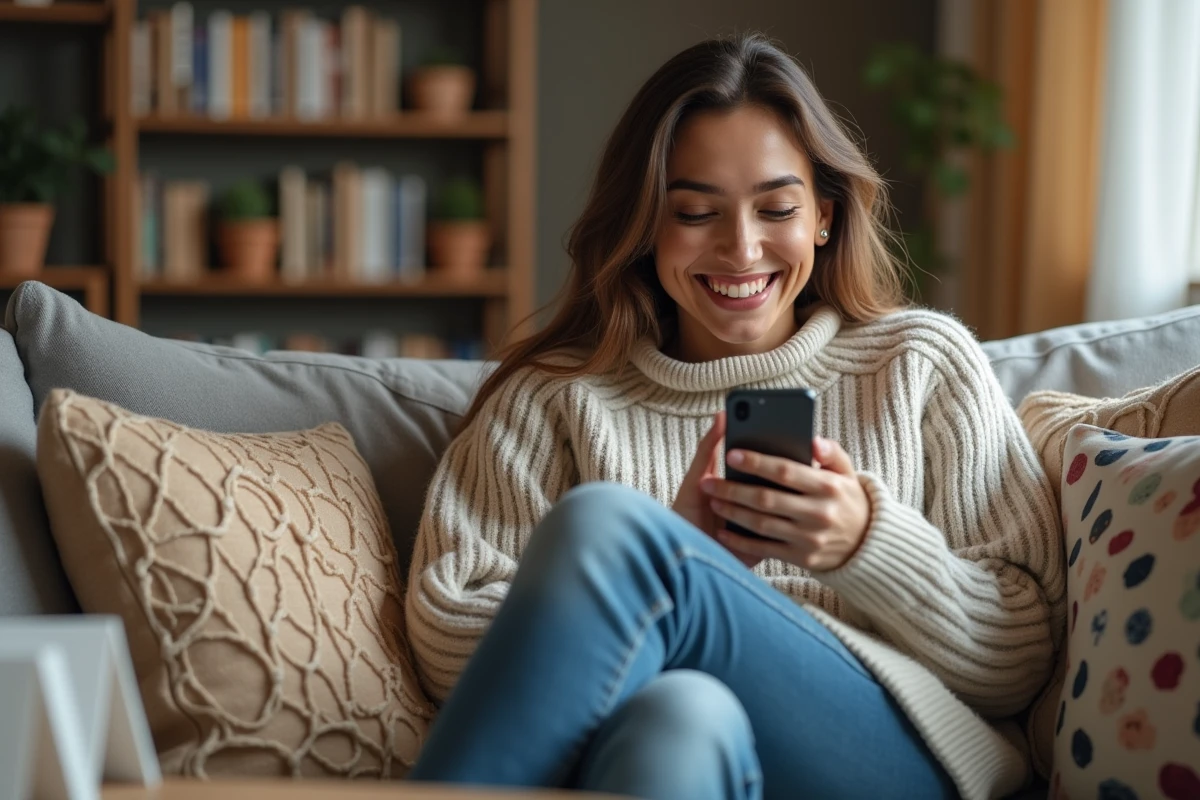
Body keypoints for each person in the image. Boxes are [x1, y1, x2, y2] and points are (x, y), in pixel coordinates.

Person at [406, 32, 1064, 800]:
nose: (742, 249)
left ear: (823, 217)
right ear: (646, 225)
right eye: (695, 212)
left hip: (890, 758)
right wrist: (674, 565)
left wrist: (866, 544)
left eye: (776, 208)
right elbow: (447, 635)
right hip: (671, 748)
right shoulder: (554, 400)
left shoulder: (920, 365)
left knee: (605, 528)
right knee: (679, 715)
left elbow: (1026, 652)